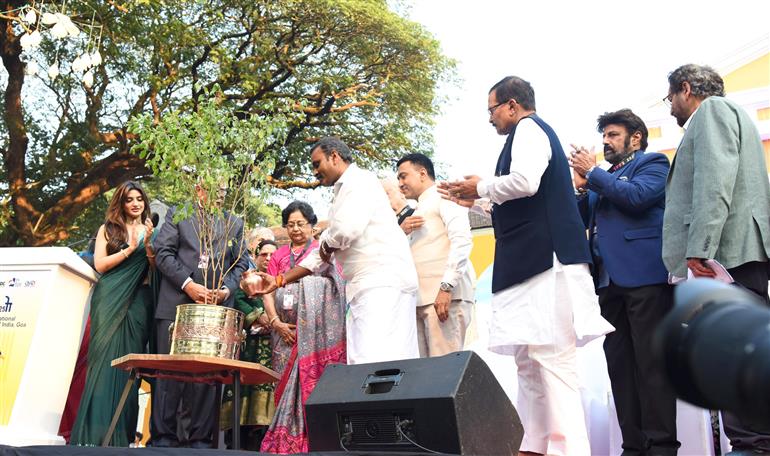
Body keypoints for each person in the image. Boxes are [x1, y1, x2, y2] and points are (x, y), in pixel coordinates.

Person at [438, 76, 613, 456]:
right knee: (529, 361)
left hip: (547, 263)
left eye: (492, 109)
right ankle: (535, 446)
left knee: (551, 362)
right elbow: (522, 199)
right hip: (529, 264)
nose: (490, 118)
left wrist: (481, 187)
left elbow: (526, 182)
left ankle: (569, 451)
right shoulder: (524, 134)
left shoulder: (529, 129)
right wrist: (477, 201)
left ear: (513, 105)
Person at [662, 63, 770, 453]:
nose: (670, 105)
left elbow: (714, 180)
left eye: (670, 96)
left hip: (726, 255)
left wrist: (699, 248)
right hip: (736, 252)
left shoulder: (712, 111)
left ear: (686, 89)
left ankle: (751, 445)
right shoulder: (734, 113)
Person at [243, 136, 419, 366]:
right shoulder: (343, 193)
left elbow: (345, 231)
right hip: (368, 285)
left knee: (376, 362)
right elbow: (320, 256)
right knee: (370, 362)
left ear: (334, 156)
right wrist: (278, 280)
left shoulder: (359, 182)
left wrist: (326, 243)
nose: (315, 172)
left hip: (382, 283)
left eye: (317, 164)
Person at [570, 109, 678, 455]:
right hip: (608, 282)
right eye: (604, 136)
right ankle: (632, 446)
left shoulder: (653, 163)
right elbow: (580, 220)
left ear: (635, 137)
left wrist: (594, 174)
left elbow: (637, 198)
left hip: (644, 276)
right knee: (619, 368)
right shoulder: (604, 178)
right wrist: (577, 190)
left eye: (613, 135)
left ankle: (661, 446)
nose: (606, 142)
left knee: (652, 365)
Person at [150, 182, 250, 448]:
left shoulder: (234, 223)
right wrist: (189, 285)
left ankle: (201, 441)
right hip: (176, 305)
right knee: (168, 374)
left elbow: (242, 262)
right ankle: (162, 438)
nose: (217, 194)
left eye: (222, 190)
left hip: (214, 312)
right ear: (198, 188)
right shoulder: (179, 213)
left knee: (207, 378)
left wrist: (226, 291)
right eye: (211, 188)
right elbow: (163, 252)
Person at [70, 181, 156, 447]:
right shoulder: (108, 230)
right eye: (129, 199)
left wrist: (149, 245)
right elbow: (100, 265)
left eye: (139, 199)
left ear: (144, 202)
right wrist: (129, 249)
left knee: (129, 364)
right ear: (121, 202)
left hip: (139, 301)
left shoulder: (151, 231)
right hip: (109, 297)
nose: (135, 204)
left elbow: (154, 268)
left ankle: (120, 438)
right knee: (102, 362)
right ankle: (92, 435)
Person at [257, 200, 346, 454]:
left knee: (314, 385)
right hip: (281, 334)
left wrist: (309, 291)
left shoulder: (321, 251)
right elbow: (267, 290)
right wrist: (276, 323)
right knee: (283, 385)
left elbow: (335, 285)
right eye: (291, 224)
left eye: (301, 224)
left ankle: (312, 440)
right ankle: (285, 441)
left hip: (314, 335)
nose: (295, 229)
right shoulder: (279, 255)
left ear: (312, 226)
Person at [396, 153, 475, 357]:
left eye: (403, 176)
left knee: (444, 372)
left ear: (422, 173)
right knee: (423, 377)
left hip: (444, 298)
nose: (400, 183)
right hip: (420, 300)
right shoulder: (415, 210)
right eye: (398, 178)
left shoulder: (444, 195)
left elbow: (462, 240)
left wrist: (446, 287)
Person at [220, 239, 278, 450]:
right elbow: (239, 302)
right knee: (242, 402)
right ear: (255, 256)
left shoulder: (282, 280)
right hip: (248, 351)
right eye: (264, 254)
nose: (269, 259)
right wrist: (262, 316)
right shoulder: (245, 282)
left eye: (273, 255)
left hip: (275, 350)